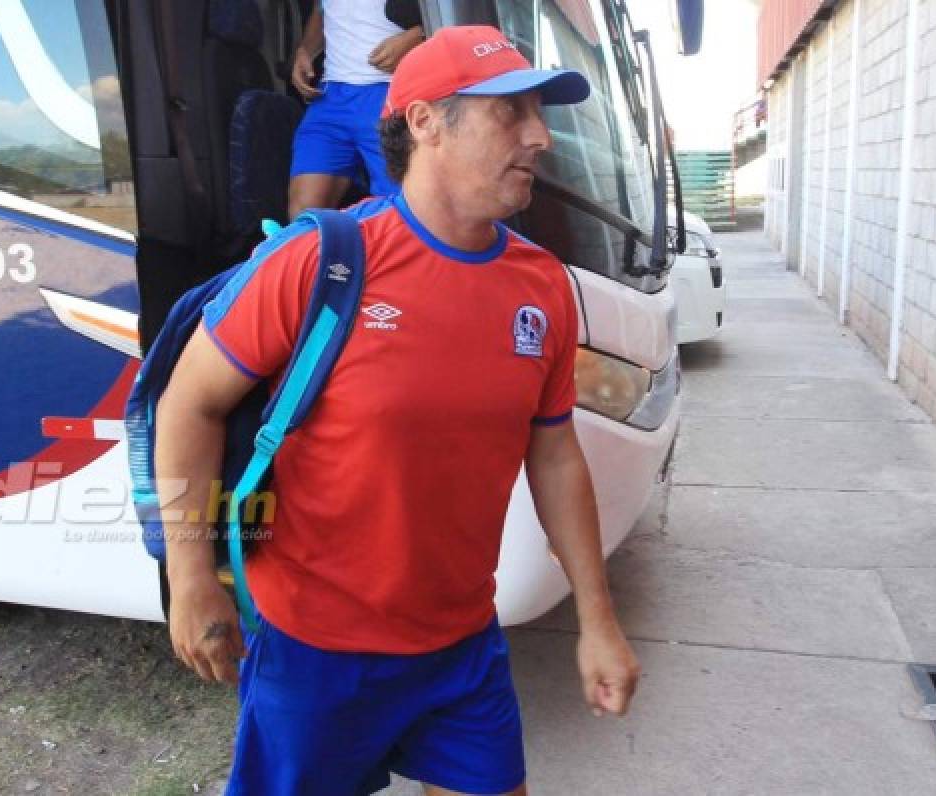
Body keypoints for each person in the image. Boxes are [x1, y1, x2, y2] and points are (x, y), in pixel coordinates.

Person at [155, 25, 641, 796]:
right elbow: (189, 405)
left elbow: (554, 455)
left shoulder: (543, 287)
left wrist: (598, 618)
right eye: (510, 112)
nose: (541, 137)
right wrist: (189, 576)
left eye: (538, 114)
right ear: (425, 122)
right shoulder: (322, 261)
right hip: (313, 654)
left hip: (461, 652)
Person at [287, 0, 423, 219]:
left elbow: (457, 10)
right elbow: (321, 9)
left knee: (402, 210)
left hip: (392, 91)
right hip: (330, 97)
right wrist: (305, 50)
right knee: (304, 214)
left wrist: (416, 36)